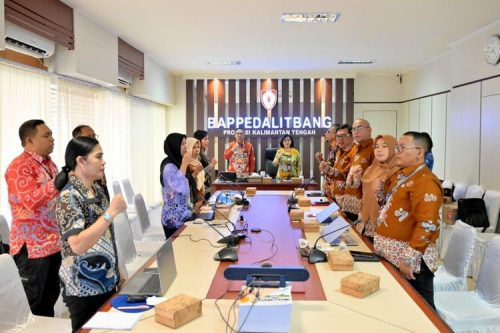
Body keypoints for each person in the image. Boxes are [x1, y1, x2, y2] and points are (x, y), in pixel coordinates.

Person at [54, 136, 127, 332]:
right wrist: (111, 212)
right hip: (83, 287)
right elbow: (77, 245)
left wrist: (118, 269)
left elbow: (106, 235)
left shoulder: (96, 190)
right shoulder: (68, 196)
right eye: (98, 157)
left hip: (106, 279)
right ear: (81, 161)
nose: (103, 162)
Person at [373, 131, 442, 308]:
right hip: (393, 256)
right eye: (397, 148)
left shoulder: (425, 181)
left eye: (402, 148)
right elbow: (390, 209)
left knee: (422, 312)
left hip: (410, 263)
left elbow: (428, 223)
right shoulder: (403, 175)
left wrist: (409, 259)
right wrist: (380, 192)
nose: (397, 152)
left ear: (419, 152)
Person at [4, 119, 61, 317]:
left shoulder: (49, 163)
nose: (52, 139)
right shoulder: (18, 167)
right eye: (46, 135)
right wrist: (58, 183)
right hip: (32, 246)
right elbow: (29, 201)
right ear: (29, 140)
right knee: (33, 301)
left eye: (51, 134)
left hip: (53, 241)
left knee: (51, 295)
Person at [349, 135, 399, 238]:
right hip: (363, 224)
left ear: (394, 148)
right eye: (376, 147)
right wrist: (356, 179)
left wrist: (381, 191)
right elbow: (363, 194)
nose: (379, 150)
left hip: (381, 226)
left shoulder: (398, 172)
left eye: (384, 146)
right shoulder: (371, 169)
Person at [160, 133, 197, 239]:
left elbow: (187, 186)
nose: (186, 146)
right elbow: (179, 187)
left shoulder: (177, 162)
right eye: (182, 144)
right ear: (175, 146)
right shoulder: (168, 166)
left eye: (186, 143)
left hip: (183, 215)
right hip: (173, 219)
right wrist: (184, 164)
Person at [319, 124, 356, 220]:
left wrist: (329, 170)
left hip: (349, 203)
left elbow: (347, 175)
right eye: (338, 136)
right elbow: (334, 174)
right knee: (320, 221)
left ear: (352, 136)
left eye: (344, 136)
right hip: (336, 198)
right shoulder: (339, 152)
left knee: (350, 232)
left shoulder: (356, 151)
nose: (340, 139)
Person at [343, 119, 375, 220]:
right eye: (353, 129)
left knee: (358, 235)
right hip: (349, 201)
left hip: (362, 201)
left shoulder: (374, 149)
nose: (356, 131)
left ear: (370, 130)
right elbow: (346, 172)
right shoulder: (355, 148)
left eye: (359, 128)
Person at [72, 124, 110, 200]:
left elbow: (103, 189)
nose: (94, 140)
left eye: (94, 136)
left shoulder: (96, 160)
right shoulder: (75, 166)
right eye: (89, 137)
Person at [315, 124, 339, 194]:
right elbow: (330, 167)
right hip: (330, 190)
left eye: (328, 132)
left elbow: (337, 171)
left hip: (337, 191)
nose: (325, 134)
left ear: (335, 135)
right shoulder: (332, 151)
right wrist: (321, 160)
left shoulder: (340, 151)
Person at [193, 130, 217, 199]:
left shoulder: (203, 153)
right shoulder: (197, 155)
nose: (207, 141)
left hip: (206, 189)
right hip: (201, 190)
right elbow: (198, 174)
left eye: (207, 139)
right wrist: (211, 165)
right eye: (205, 139)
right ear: (198, 140)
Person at [186, 137, 205, 207]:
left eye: (198, 147)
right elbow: (186, 182)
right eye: (194, 147)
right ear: (188, 148)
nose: (197, 149)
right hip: (191, 200)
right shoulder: (186, 165)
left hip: (200, 198)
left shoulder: (198, 163)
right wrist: (196, 172)